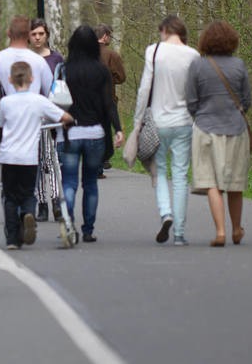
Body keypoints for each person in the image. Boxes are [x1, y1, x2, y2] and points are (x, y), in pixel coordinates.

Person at [133, 15, 200, 246]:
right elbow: (196, 92)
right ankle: (180, 233)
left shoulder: (154, 51)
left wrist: (138, 120)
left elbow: (144, 88)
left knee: (159, 171)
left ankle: (166, 213)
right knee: (180, 175)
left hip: (158, 121)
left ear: (164, 30)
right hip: (184, 121)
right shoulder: (193, 55)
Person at [185, 21, 252, 246]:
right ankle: (236, 229)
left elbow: (191, 101)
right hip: (235, 129)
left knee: (211, 182)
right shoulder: (239, 65)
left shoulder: (197, 66)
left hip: (205, 128)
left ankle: (220, 231)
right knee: (235, 183)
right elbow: (246, 101)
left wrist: (200, 115)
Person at [57, 25, 124, 243]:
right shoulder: (101, 71)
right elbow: (108, 104)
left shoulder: (63, 70)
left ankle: (67, 222)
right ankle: (87, 230)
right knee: (90, 184)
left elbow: (56, 102)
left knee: (68, 182)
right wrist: (118, 129)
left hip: (69, 133)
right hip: (95, 133)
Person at [0, 61, 74, 250]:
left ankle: (13, 239)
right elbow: (64, 117)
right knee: (28, 192)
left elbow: (0, 124)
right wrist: (68, 121)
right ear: (32, 79)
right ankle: (28, 214)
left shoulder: (5, 102)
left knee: (10, 196)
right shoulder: (39, 101)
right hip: (29, 158)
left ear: (10, 80)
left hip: (8, 157)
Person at [0, 16, 54, 177]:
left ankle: (10, 194)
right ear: (29, 36)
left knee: (9, 167)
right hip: (33, 121)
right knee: (31, 167)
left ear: (8, 33)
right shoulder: (38, 61)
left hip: (6, 119)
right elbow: (49, 92)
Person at [29, 18, 64, 222]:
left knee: (53, 159)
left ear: (47, 35)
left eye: (41, 34)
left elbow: (62, 86)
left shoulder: (56, 59)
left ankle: (56, 200)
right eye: (34, 34)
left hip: (52, 114)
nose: (38, 38)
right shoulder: (26, 58)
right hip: (34, 116)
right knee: (38, 160)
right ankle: (41, 202)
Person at [95, 23, 127, 177]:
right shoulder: (111, 55)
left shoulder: (84, 54)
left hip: (86, 100)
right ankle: (102, 161)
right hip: (107, 97)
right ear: (105, 36)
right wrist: (110, 79)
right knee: (105, 131)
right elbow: (121, 77)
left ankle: (97, 162)